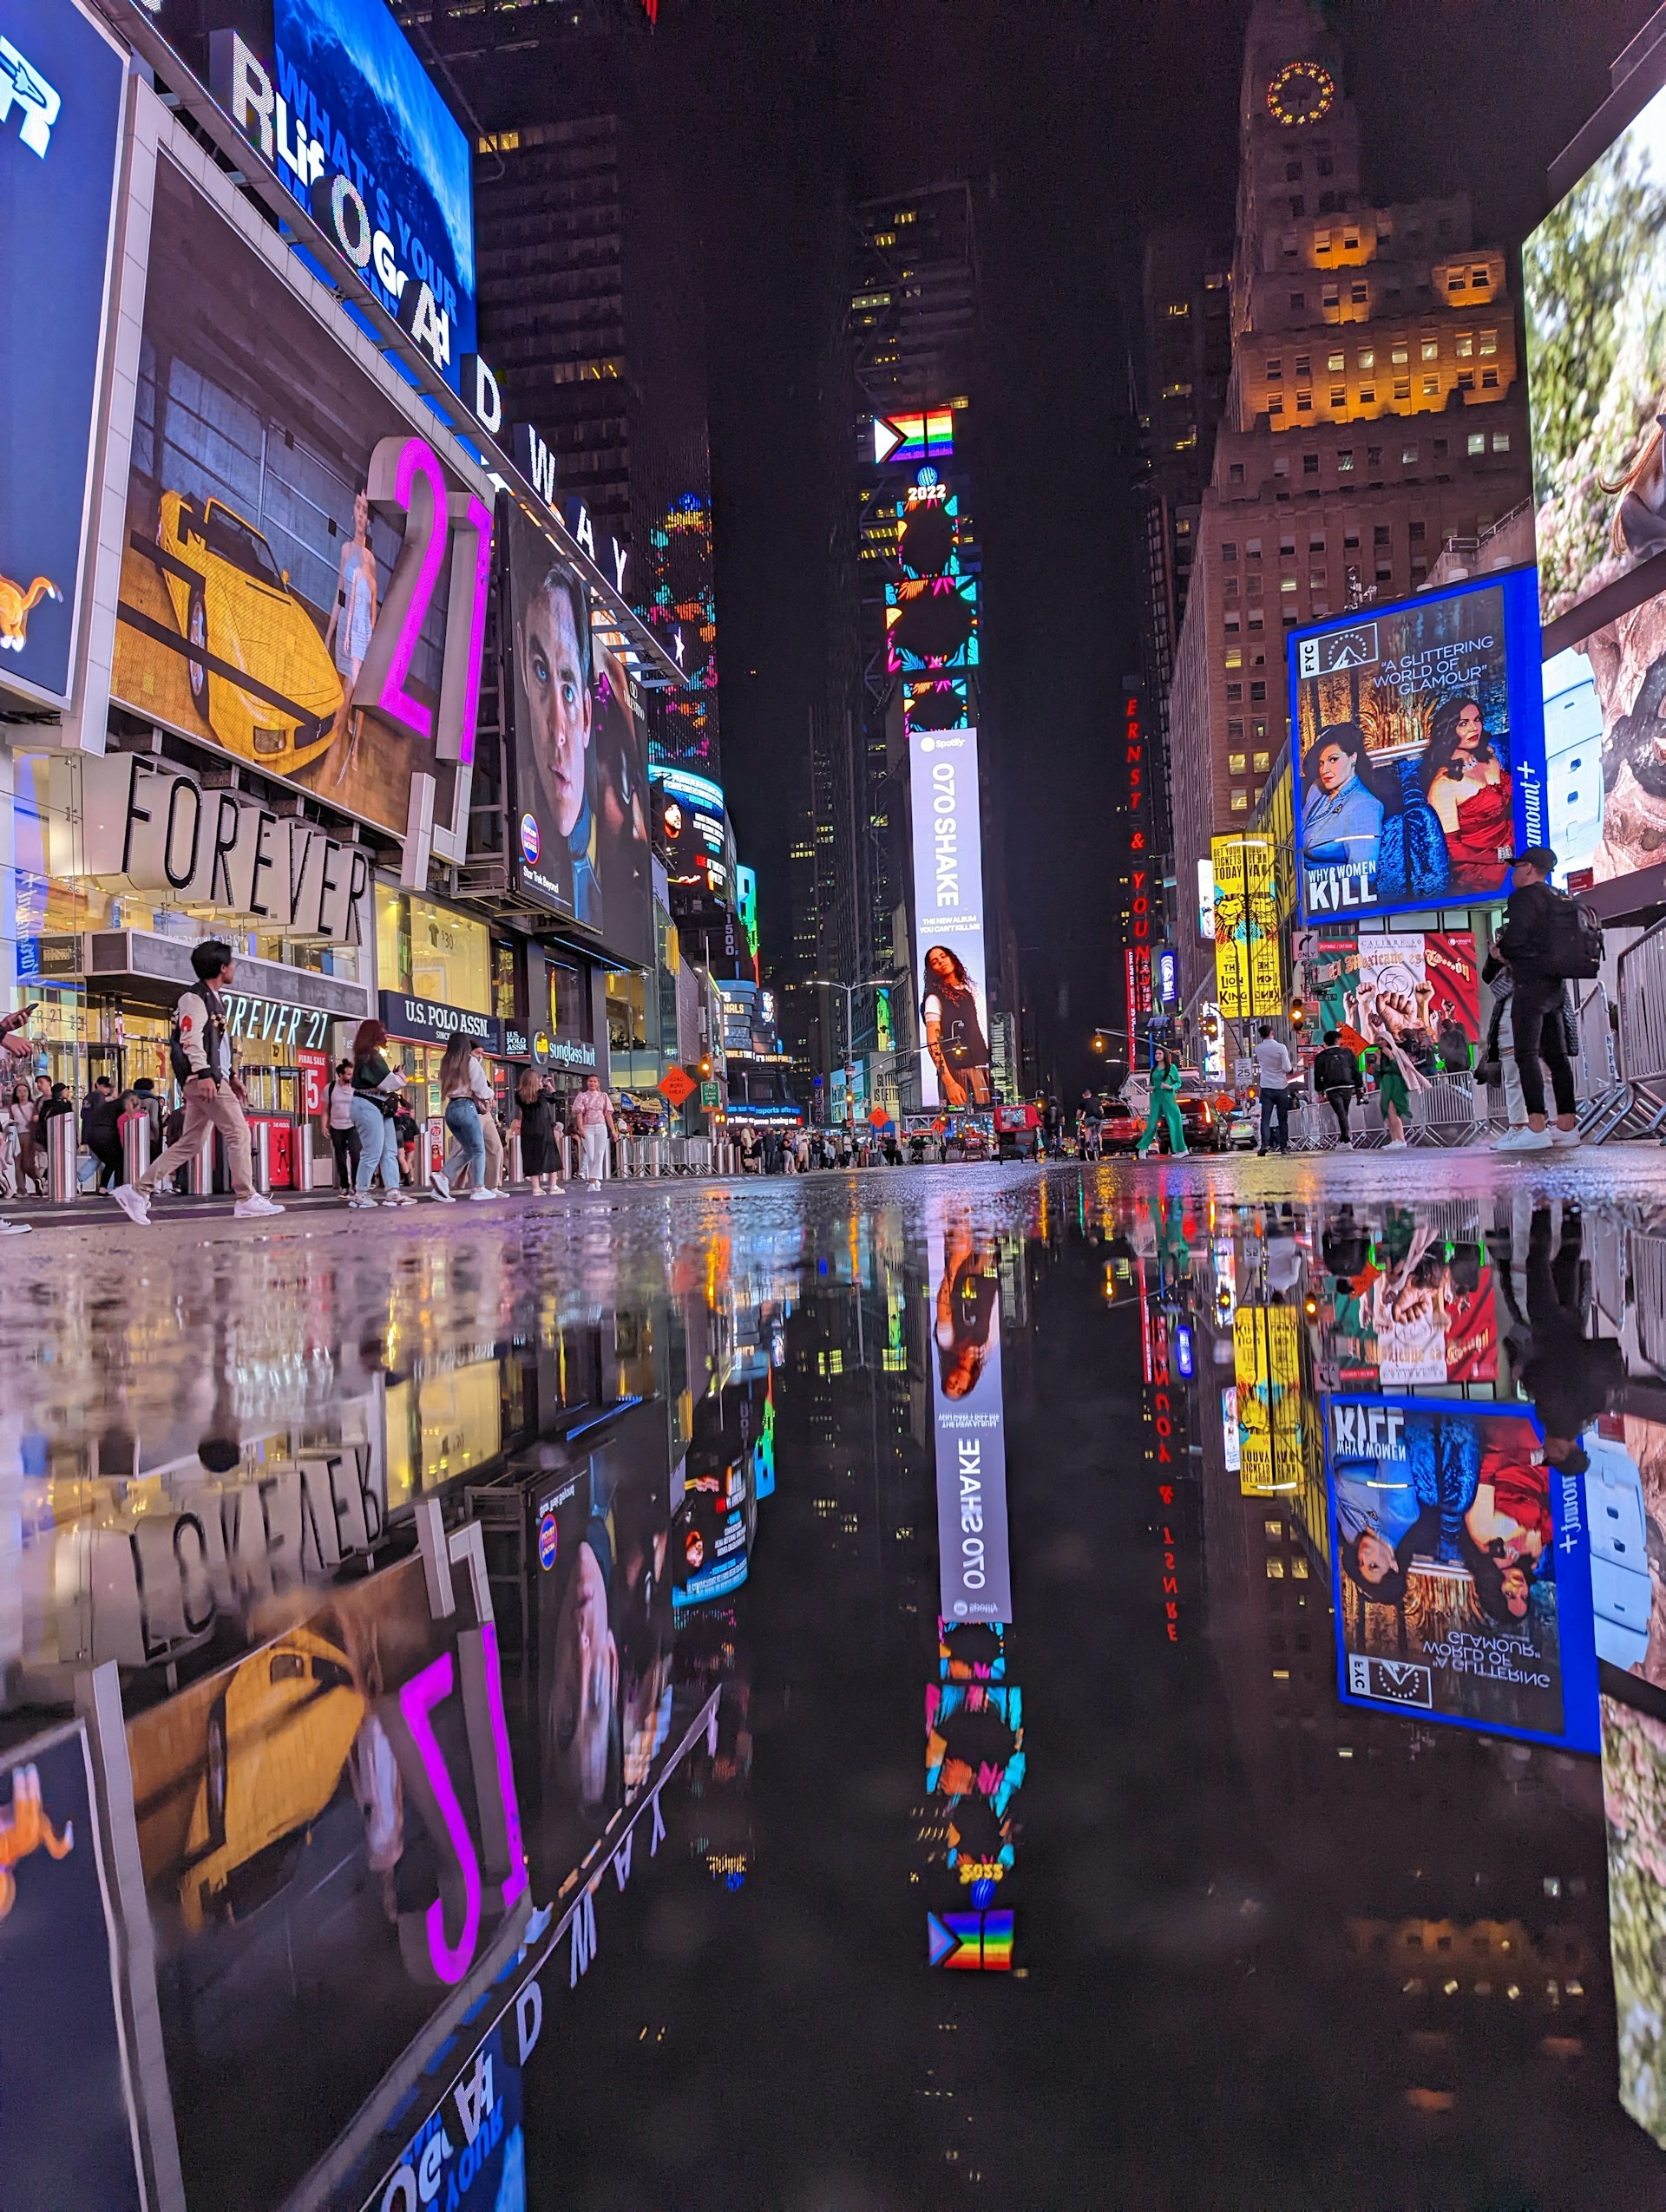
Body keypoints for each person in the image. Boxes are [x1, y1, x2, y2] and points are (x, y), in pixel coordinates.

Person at [111, 940, 284, 1224]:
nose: (235, 968)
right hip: (205, 1079)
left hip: (211, 1078)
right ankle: (246, 1197)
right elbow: (190, 1041)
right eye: (232, 963)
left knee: (190, 1142)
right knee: (238, 1132)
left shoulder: (213, 998)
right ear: (222, 967)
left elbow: (218, 1046)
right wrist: (204, 1075)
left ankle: (138, 1191)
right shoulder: (194, 998)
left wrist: (231, 1076)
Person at [518, 559, 601, 925]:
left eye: (568, 689)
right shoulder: (514, 837)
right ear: (522, 668)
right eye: (540, 671)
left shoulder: (622, 886)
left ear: (585, 715)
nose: (558, 730)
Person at [1486, 847, 1580, 1151]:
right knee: (1556, 1057)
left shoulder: (1524, 899)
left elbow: (1515, 941)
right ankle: (1566, 1128)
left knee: (1526, 1055)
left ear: (1527, 868)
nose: (1513, 873)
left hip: (1529, 985)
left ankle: (1537, 1127)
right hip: (1555, 987)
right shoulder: (1558, 896)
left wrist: (1499, 953)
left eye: (1516, 867)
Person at [1420, 696, 1513, 893]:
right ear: (1449, 730)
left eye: (1477, 720)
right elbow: (1453, 850)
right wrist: (1502, 855)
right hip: (1481, 864)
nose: (1474, 728)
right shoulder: (1444, 784)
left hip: (1512, 841)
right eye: (1464, 723)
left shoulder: (1488, 752)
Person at [324, 486, 377, 776]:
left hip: (360, 635)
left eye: (365, 510)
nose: (359, 514)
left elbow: (372, 608)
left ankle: (349, 748)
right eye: (358, 507)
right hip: (344, 626)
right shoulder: (345, 550)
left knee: (353, 692)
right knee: (341, 687)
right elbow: (339, 594)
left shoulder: (370, 560)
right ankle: (336, 734)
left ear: (369, 518)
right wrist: (330, 633)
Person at [1302, 722, 1385, 872]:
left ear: (1353, 758)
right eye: (1321, 763)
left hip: (1327, 892)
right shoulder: (1316, 788)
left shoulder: (1365, 806)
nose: (1324, 770)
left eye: (1333, 760)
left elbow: (1362, 877)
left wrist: (1304, 882)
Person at [347, 1018, 412, 1208]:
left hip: (370, 1104)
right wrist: (400, 1077)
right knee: (376, 1151)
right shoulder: (371, 1055)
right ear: (375, 1034)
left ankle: (390, 1191)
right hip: (370, 1105)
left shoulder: (364, 1055)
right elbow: (387, 1082)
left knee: (386, 1150)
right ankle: (362, 1193)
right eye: (383, 1031)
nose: (386, 1034)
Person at [922, 945, 993, 1107]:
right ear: (932, 970)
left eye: (943, 956)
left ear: (952, 958)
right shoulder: (933, 998)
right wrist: (950, 1083)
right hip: (958, 1073)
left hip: (981, 1067)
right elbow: (933, 1043)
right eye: (935, 961)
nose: (941, 961)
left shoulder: (971, 990)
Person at [431, 1031, 497, 1202]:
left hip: (451, 1109)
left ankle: (444, 1177)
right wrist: (491, 1093)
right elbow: (481, 1089)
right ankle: (478, 1188)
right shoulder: (470, 1062)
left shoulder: (447, 1064)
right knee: (478, 1148)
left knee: (468, 1149)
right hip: (466, 1107)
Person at [513, 1067, 563, 1194]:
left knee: (531, 1156)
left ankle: (536, 1187)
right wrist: (548, 1086)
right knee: (551, 1154)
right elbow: (555, 1098)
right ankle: (553, 1186)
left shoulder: (519, 1095)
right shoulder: (541, 1094)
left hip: (528, 1128)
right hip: (543, 1126)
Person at [1312, 1028, 1362, 1146]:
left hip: (1331, 1087)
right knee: (1344, 1111)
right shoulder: (1347, 1052)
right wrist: (1359, 1086)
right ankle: (1345, 1137)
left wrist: (1319, 1090)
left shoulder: (1321, 1056)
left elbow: (1318, 1074)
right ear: (1338, 1040)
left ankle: (1345, 1138)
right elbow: (1356, 1070)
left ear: (1326, 1042)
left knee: (1341, 1112)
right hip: (1348, 1085)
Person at [1136, 1051, 1187, 1158]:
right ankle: (1142, 1148)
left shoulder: (1172, 1068)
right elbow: (1151, 1084)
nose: (1157, 1056)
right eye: (1156, 1054)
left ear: (1164, 1055)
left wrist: (1170, 1087)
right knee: (1152, 1124)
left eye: (1159, 1054)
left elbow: (1178, 1083)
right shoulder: (1153, 1069)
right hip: (1155, 1098)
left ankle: (1181, 1150)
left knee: (1174, 1122)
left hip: (1168, 1097)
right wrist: (1150, 1088)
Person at [1253, 1024, 1293, 1155]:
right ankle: (1284, 1147)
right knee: (1282, 1119)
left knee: (1266, 1118)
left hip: (1266, 1086)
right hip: (1281, 1085)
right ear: (1272, 1033)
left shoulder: (1258, 1049)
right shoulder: (1280, 1047)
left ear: (1261, 1035)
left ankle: (1264, 1145)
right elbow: (1287, 1068)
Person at [572, 1072, 616, 1190]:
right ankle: (595, 1180)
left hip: (601, 1127)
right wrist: (580, 1128)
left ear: (598, 1083)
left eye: (595, 1081)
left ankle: (593, 1181)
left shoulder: (603, 1096)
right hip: (588, 1127)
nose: (593, 1083)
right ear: (587, 1083)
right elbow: (579, 1113)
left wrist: (613, 1131)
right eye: (590, 1081)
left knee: (599, 1154)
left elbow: (608, 1115)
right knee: (591, 1156)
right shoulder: (582, 1096)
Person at [326, 1058, 360, 1190]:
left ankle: (356, 1183)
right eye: (348, 1074)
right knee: (340, 1157)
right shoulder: (330, 1088)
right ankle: (344, 1185)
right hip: (336, 1126)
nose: (350, 1076)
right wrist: (324, 1125)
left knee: (355, 1154)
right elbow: (325, 1109)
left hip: (353, 1125)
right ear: (340, 1074)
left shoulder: (355, 1088)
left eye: (352, 1073)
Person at [1370, 1044, 1410, 1149]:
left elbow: (1399, 1068)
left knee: (1393, 1112)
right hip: (1386, 1085)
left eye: (1383, 1040)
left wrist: (1391, 1056)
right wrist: (1378, 1058)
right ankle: (1395, 1139)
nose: (1380, 1043)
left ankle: (1400, 1139)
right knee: (1388, 1113)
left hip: (1396, 1085)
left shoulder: (1397, 1052)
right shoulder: (1381, 1057)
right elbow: (1377, 1072)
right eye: (1378, 1040)